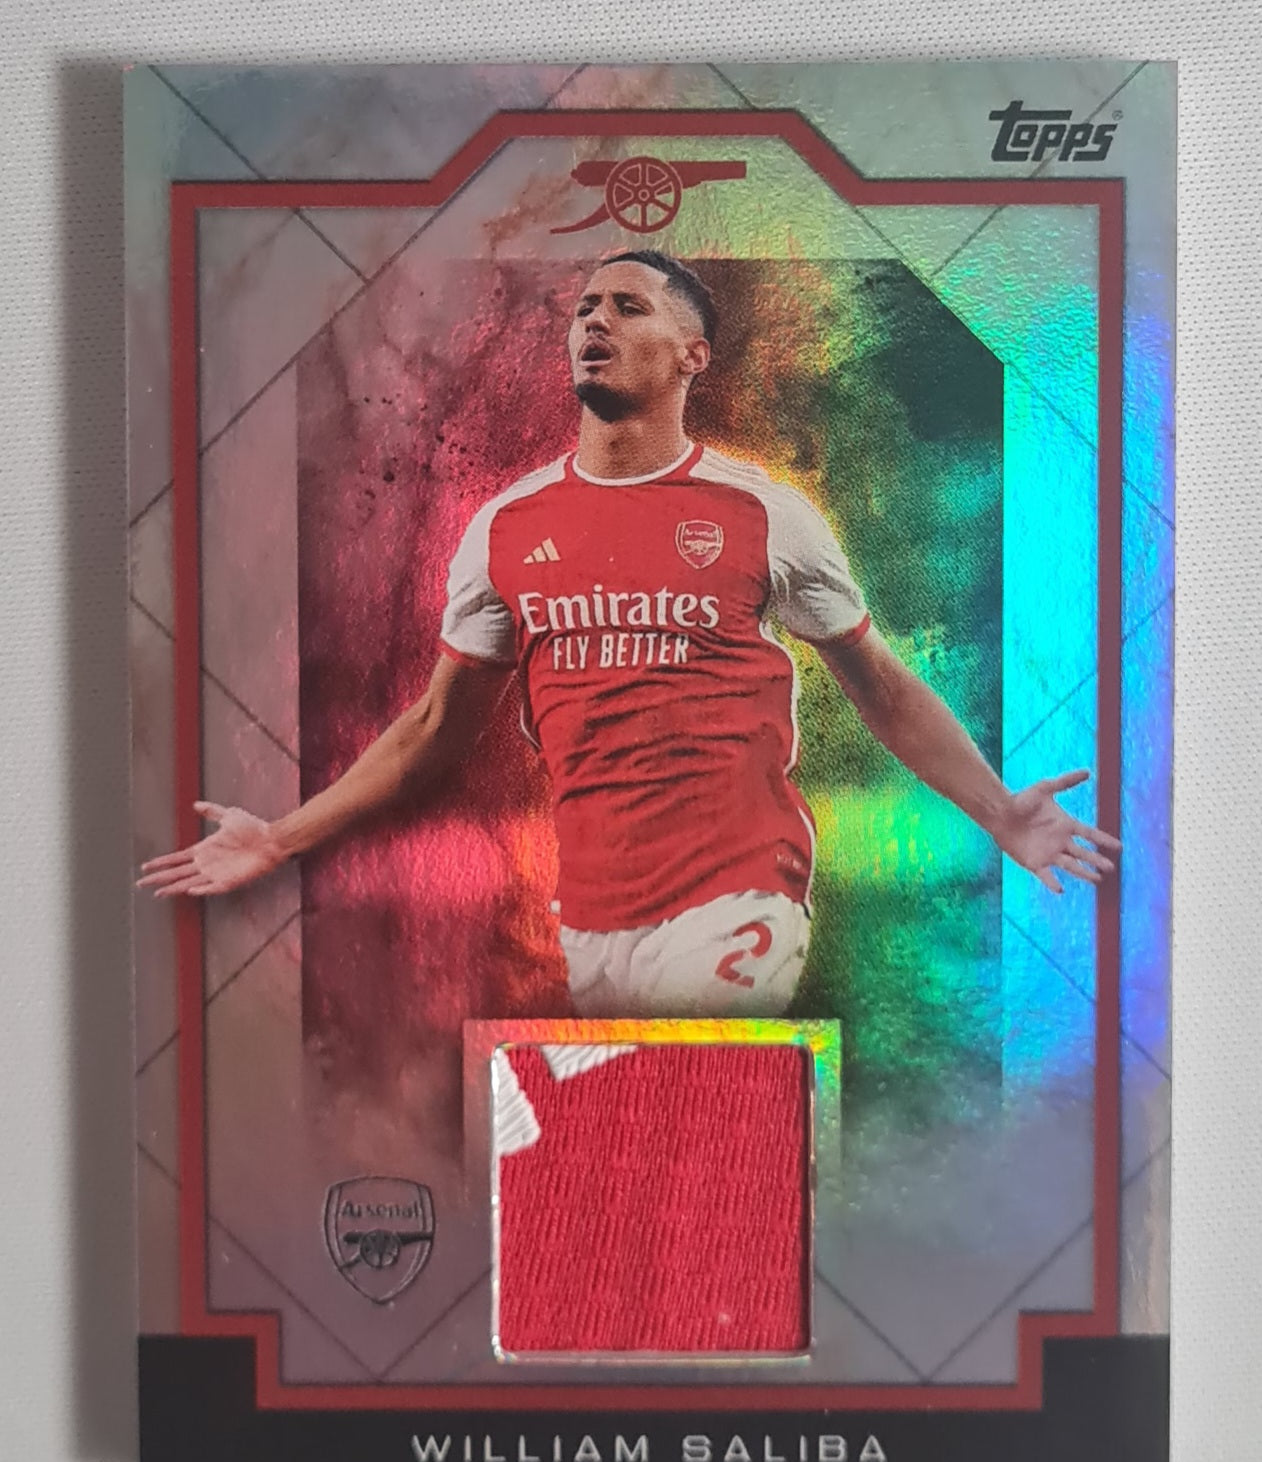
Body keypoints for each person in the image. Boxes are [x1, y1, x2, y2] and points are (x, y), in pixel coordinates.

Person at [138, 250, 1120, 1019]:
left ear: (692, 355)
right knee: (634, 1151)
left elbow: (883, 688)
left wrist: (998, 810)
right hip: (593, 919)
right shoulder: (505, 529)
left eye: (627, 306)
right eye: (583, 309)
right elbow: (431, 729)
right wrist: (280, 838)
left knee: (686, 1102)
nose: (594, 321)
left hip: (739, 892)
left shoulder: (765, 515)